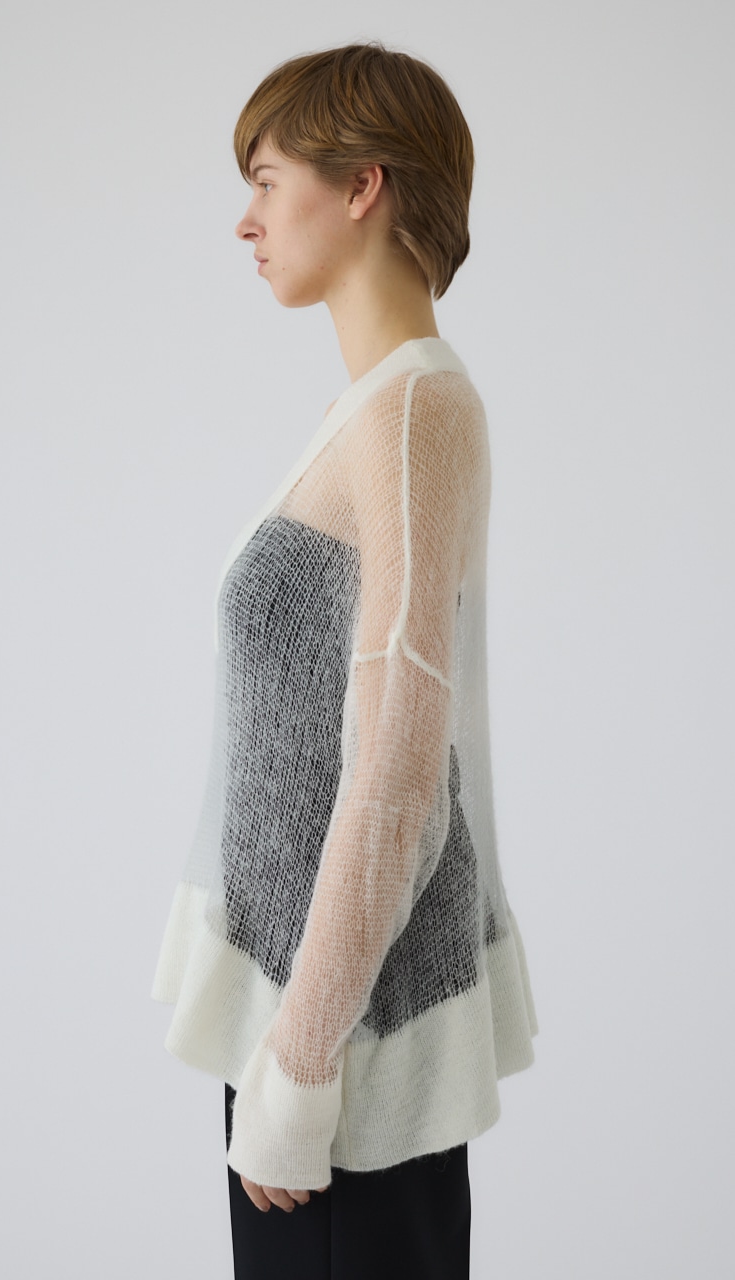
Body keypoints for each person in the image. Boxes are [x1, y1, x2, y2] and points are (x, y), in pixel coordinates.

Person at [151, 40, 539, 1279]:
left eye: (268, 182)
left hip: (345, 1064)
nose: (246, 221)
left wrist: (301, 1063)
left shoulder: (414, 411)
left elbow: (397, 775)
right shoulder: (378, 407)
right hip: (317, 1033)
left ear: (362, 184)